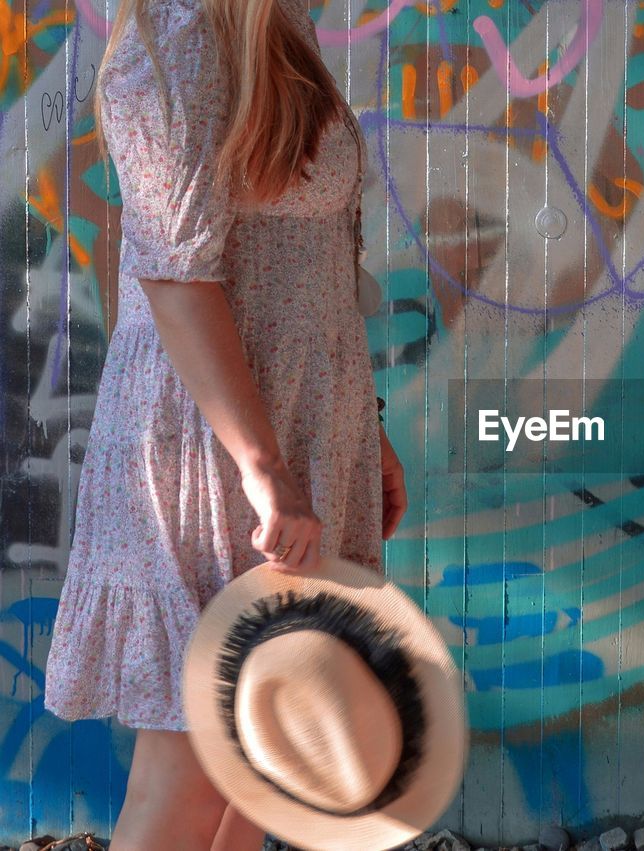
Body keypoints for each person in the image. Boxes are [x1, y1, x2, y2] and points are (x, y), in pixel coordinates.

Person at [40, 0, 409, 846]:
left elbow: (303, 265)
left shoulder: (275, 23)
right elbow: (176, 277)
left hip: (303, 429)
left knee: (267, 766)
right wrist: (264, 466)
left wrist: (365, 425)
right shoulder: (180, 35)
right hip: (211, 447)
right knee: (199, 766)